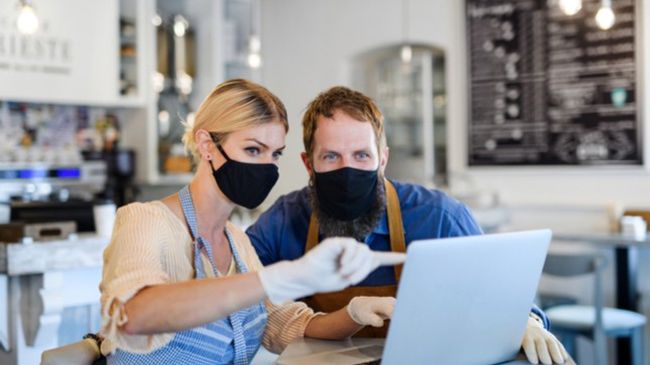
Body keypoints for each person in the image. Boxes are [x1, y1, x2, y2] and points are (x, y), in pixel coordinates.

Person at [246, 86, 569, 365]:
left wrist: (525, 322)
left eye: (361, 155)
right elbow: (234, 286)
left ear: (382, 159)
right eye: (331, 157)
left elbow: (503, 295)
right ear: (308, 164)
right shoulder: (285, 219)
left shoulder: (439, 217)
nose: (348, 171)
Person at [98, 79, 405, 365]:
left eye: (275, 154)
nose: (266, 167)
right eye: (253, 149)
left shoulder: (237, 241)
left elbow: (284, 324)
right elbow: (133, 314)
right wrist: (284, 276)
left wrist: (355, 313)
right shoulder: (146, 221)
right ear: (206, 144)